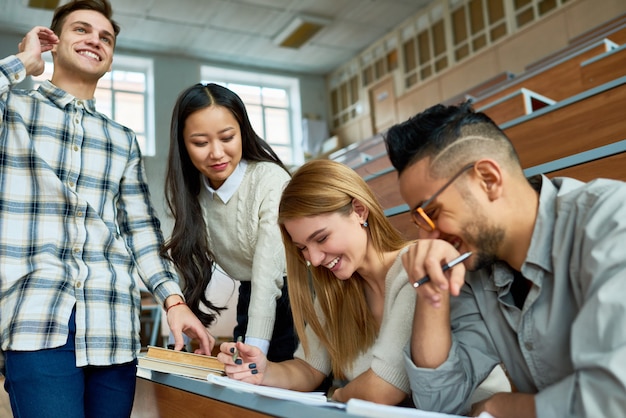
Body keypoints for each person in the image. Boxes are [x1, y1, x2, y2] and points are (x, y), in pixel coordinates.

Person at [0, 1, 214, 417]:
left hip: (114, 325)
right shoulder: (14, 113)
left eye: (106, 38)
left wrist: (173, 301)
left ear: (111, 58)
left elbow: (141, 231)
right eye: (81, 30)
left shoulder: (123, 140)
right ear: (54, 42)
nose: (95, 40)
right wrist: (23, 62)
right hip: (37, 320)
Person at [384, 100, 626, 417]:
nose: (428, 239)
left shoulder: (611, 222)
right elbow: (439, 401)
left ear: (488, 179)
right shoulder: (473, 269)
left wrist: (501, 407)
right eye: (419, 222)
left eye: (431, 214)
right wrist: (433, 290)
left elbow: (611, 399)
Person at [217, 159, 417, 405]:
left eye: (321, 238)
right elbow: (309, 369)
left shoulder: (413, 268)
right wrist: (262, 370)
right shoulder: (336, 288)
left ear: (359, 210)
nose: (314, 259)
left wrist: (338, 395)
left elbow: (384, 389)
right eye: (302, 248)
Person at [162, 82, 297, 361]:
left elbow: (267, 275)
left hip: (301, 297)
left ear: (243, 133)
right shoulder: (192, 194)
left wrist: (255, 352)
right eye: (200, 143)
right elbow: (190, 264)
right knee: (241, 384)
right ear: (183, 145)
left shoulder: (270, 181)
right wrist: (184, 339)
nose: (216, 153)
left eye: (227, 137)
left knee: (274, 380)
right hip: (252, 295)